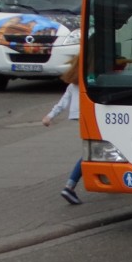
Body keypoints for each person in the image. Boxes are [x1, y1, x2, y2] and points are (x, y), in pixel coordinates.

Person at [42, 56, 83, 205]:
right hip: (88, 117)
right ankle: (69, 187)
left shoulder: (73, 85)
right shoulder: (90, 81)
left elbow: (62, 103)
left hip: (79, 117)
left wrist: (49, 116)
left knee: (94, 150)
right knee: (91, 152)